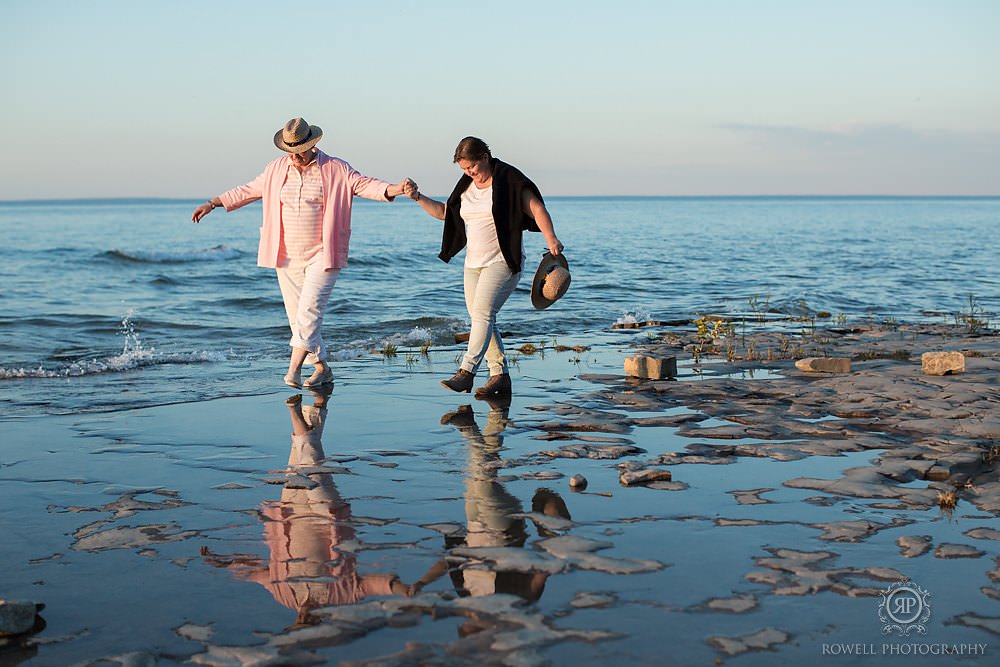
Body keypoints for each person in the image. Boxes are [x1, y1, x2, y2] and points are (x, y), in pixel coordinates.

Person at [192, 118, 416, 389]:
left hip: (323, 252)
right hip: (285, 254)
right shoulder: (276, 169)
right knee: (298, 318)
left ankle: (293, 369)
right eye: (291, 150)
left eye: (301, 149)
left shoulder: (335, 168)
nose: (296, 155)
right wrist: (213, 203)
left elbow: (364, 184)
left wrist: (396, 189)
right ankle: (322, 368)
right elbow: (248, 190)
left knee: (309, 312)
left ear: (313, 144)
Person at [408, 137, 564, 399]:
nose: (469, 173)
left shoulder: (508, 180)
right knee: (482, 319)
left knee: (482, 314)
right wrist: (417, 197)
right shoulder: (466, 185)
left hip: (503, 261)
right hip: (473, 264)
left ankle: (466, 371)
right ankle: (500, 376)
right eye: (464, 170)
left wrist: (551, 239)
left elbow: (536, 207)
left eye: (472, 167)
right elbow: (445, 212)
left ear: (484, 157)